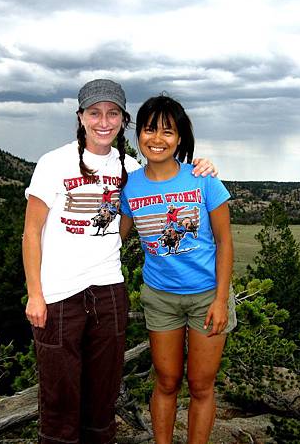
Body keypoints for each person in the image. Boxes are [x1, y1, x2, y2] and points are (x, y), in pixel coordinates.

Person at [22, 79, 216, 444]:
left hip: (109, 291)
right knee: (60, 395)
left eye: (112, 113)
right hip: (59, 294)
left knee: (103, 393)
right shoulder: (53, 163)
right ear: (80, 117)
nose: (103, 121)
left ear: (123, 120)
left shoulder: (128, 167)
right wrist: (35, 293)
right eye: (94, 113)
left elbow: (165, 181)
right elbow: (31, 233)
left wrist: (202, 165)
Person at [120, 94, 237, 444]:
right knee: (167, 381)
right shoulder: (131, 185)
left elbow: (225, 243)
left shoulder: (204, 180)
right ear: (139, 134)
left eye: (167, 131)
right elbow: (116, 239)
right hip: (161, 298)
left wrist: (219, 301)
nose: (157, 139)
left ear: (180, 138)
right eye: (149, 129)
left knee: (201, 385)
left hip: (206, 297)